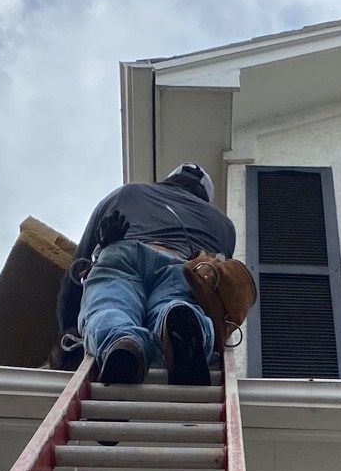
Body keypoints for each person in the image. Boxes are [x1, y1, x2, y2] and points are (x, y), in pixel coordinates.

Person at [57, 163, 236, 386]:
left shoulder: (127, 192)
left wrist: (67, 332)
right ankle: (181, 323)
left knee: (110, 305)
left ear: (169, 180)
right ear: (204, 196)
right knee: (175, 303)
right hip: (181, 265)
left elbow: (75, 270)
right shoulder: (223, 225)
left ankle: (123, 342)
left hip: (121, 253)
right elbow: (220, 287)